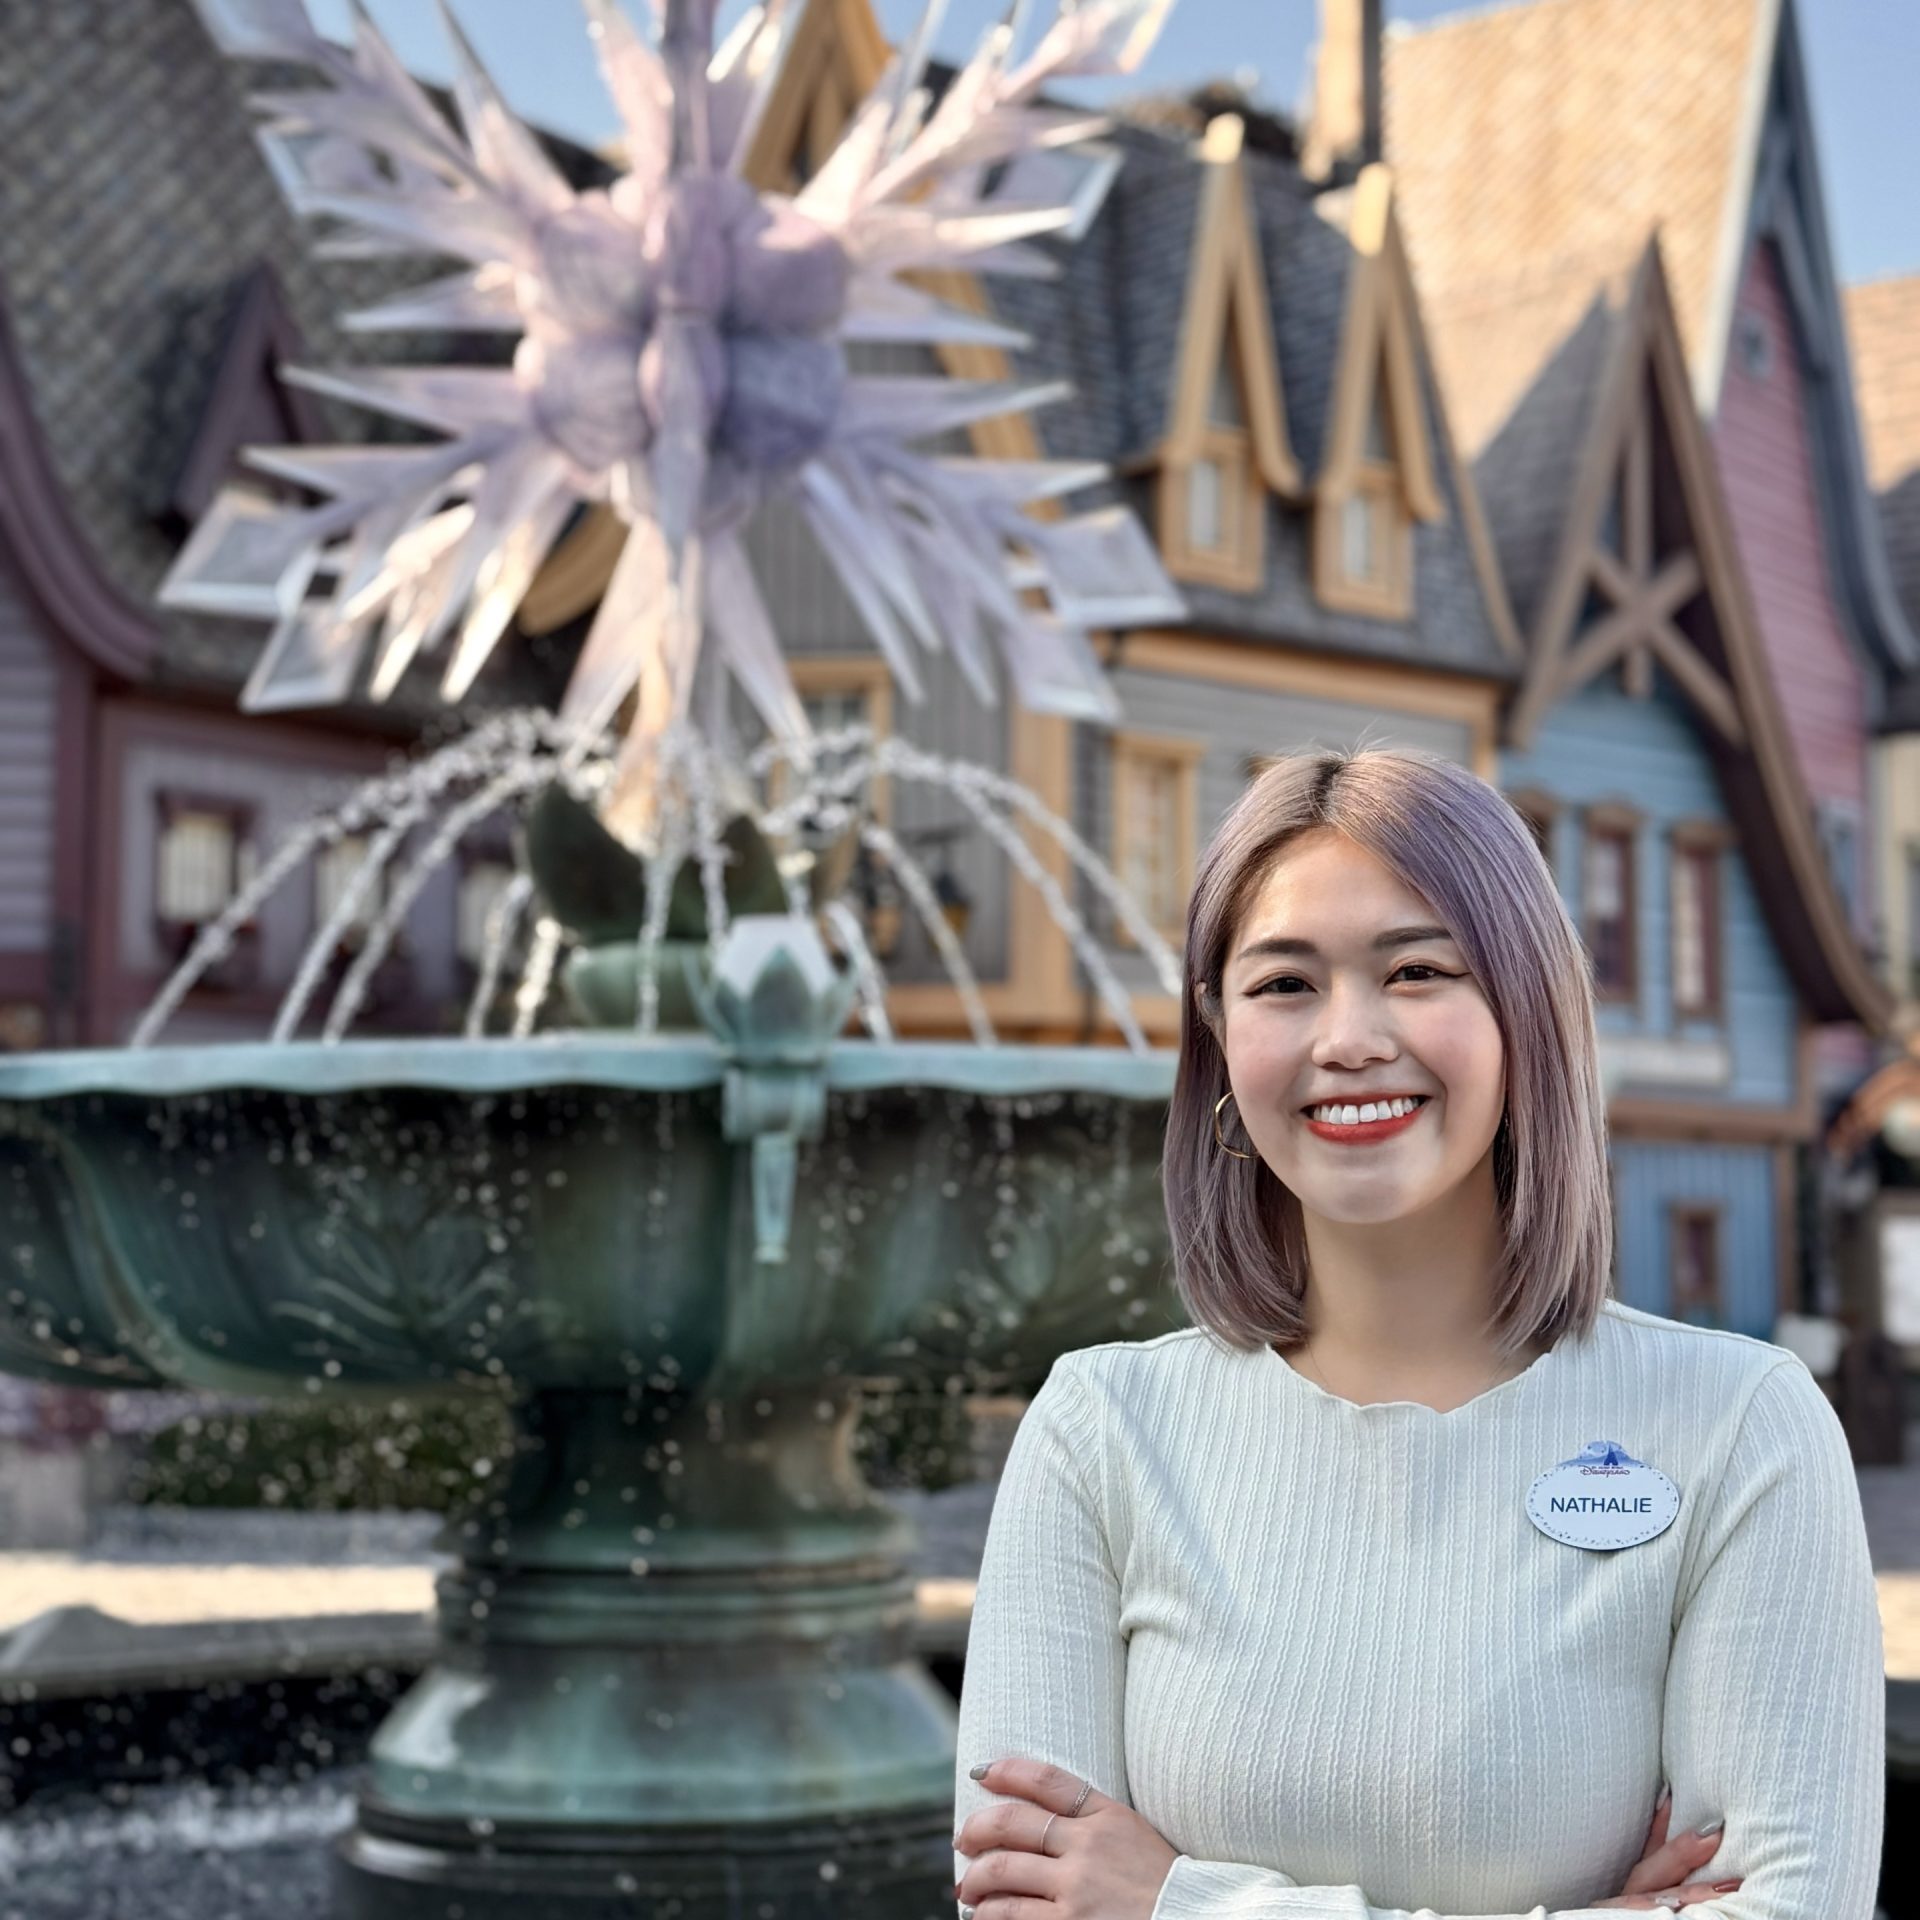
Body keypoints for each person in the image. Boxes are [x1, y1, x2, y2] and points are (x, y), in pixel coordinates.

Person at [951, 745, 1884, 1919]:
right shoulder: (1098, 1436)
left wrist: (1181, 1903)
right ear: (1220, 1035)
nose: (1349, 1037)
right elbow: (1020, 1903)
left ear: (1526, 1005)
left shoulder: (1739, 1427)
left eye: (1418, 971)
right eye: (1284, 984)